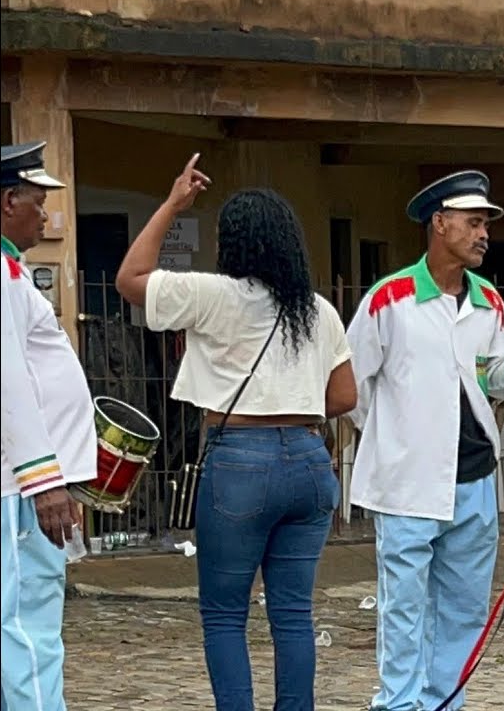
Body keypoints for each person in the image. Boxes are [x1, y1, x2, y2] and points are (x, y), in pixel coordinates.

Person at [115, 155, 358, 711]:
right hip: (308, 461)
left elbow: (130, 279)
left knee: (225, 613)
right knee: (293, 612)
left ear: (233, 243)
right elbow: (345, 397)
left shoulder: (212, 295)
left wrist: (176, 202)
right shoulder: (317, 310)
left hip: (239, 463)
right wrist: (292, 406)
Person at [346, 170, 504, 711]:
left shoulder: (489, 300)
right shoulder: (388, 300)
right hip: (407, 483)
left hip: (474, 482)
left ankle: (447, 702)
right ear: (439, 224)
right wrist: (397, 435)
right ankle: (398, 704)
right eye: (472, 222)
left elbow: (496, 380)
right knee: (403, 606)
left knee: (464, 608)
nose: (483, 232)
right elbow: (351, 387)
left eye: (486, 222)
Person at [0, 141, 97, 711]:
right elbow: (10, 380)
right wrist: (45, 481)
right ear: (8, 200)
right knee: (28, 624)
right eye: (37, 202)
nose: (46, 216)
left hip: (21, 480)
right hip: (18, 483)